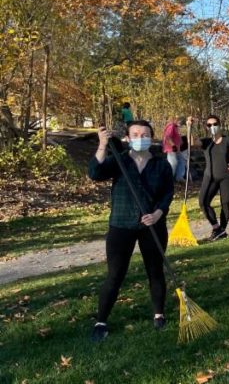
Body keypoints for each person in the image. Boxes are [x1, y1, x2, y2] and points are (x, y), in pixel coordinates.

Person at [88, 121, 175, 342]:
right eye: (135, 134)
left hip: (152, 226)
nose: (140, 137)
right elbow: (95, 173)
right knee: (115, 274)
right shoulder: (119, 161)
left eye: (144, 134)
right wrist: (102, 145)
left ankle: (158, 314)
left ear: (152, 137)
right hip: (121, 225)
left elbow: (167, 193)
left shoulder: (161, 165)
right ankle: (101, 321)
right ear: (127, 138)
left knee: (155, 271)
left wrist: (158, 213)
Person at [189, 114, 229, 241]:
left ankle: (222, 231)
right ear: (207, 127)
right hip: (210, 177)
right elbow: (192, 143)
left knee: (225, 204)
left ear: (219, 125)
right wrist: (190, 127)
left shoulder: (228, 140)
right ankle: (217, 228)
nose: (213, 127)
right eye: (209, 125)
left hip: (228, 177)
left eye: (215, 124)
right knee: (203, 202)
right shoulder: (206, 142)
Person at [162, 117, 187, 182]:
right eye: (181, 123)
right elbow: (167, 137)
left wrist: (180, 143)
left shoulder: (175, 127)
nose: (181, 124)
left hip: (177, 148)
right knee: (173, 163)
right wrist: (173, 145)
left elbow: (177, 137)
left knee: (182, 161)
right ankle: (168, 179)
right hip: (171, 148)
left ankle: (179, 177)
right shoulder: (171, 126)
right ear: (177, 120)